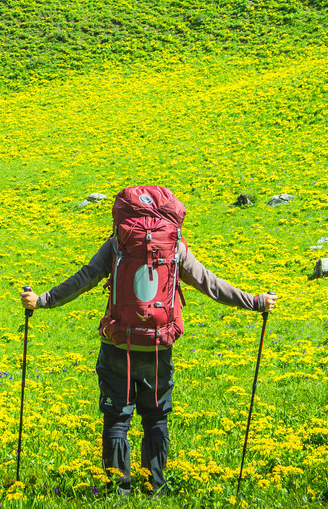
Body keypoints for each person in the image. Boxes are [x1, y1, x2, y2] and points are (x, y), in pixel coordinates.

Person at [19, 186, 277, 497]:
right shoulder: (176, 245)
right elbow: (210, 284)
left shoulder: (118, 243)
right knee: (155, 418)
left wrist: (42, 300)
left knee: (117, 418)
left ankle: (118, 489)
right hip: (158, 344)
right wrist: (254, 301)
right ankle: (155, 487)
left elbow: (85, 278)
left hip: (118, 343)